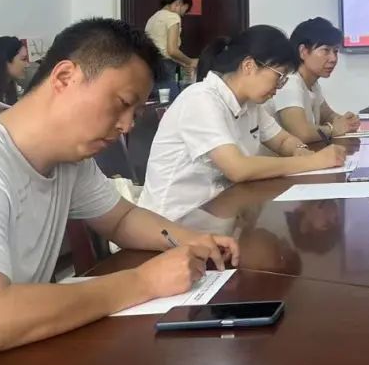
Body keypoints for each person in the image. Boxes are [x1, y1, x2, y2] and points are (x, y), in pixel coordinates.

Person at [0, 18, 239, 360]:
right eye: (123, 103)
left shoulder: (69, 156)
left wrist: (191, 239)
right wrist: (143, 282)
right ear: (65, 78)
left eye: (135, 113)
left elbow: (121, 219)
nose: (126, 125)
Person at [138, 25, 347, 222]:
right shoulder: (201, 99)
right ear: (249, 66)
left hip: (218, 213)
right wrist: (314, 162)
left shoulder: (250, 104)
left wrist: (299, 150)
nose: (279, 87)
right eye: (279, 77)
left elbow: (283, 141)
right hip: (173, 222)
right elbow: (237, 168)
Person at [274, 17, 359, 143]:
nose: (333, 59)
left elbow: (328, 115)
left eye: (335, 51)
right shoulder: (289, 82)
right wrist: (333, 129)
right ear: (303, 51)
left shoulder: (312, 83)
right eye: (326, 50)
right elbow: (302, 134)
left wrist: (347, 122)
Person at [144, 0, 197, 98]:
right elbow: (172, 51)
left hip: (150, 66)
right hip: (166, 68)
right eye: (185, 10)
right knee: (171, 102)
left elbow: (160, 47)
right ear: (179, 3)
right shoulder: (173, 17)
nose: (183, 14)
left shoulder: (153, 17)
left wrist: (183, 63)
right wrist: (190, 62)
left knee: (158, 101)